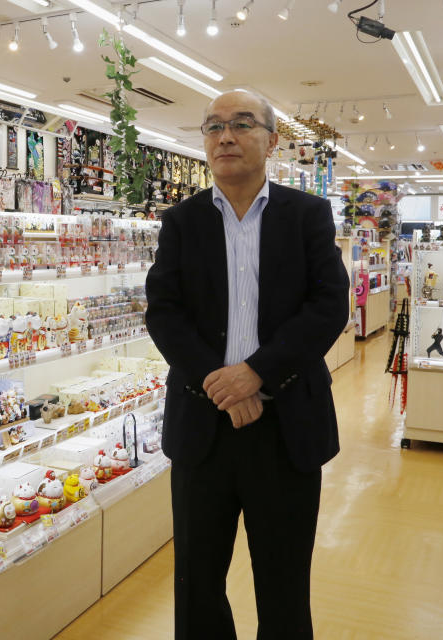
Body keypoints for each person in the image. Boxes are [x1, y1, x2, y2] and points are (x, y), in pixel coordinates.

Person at [145, 89, 350, 639]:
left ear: (272, 140)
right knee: (197, 584)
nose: (225, 136)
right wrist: (221, 385)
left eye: (241, 124)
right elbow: (164, 312)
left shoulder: (307, 215)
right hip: (201, 429)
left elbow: (329, 305)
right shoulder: (182, 221)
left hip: (286, 431)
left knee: (284, 585)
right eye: (213, 126)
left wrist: (255, 373)